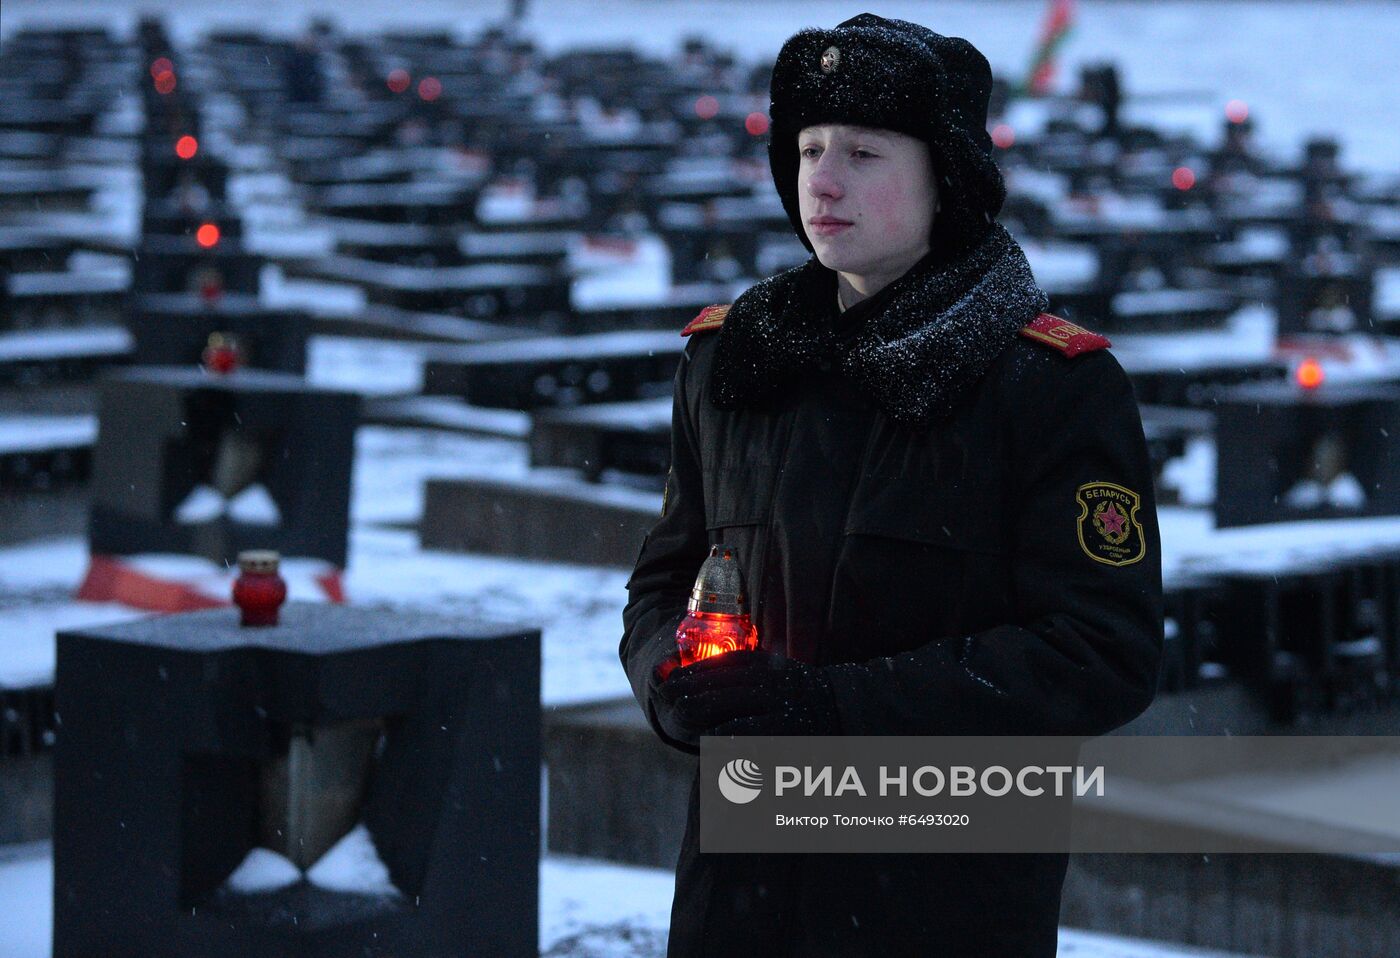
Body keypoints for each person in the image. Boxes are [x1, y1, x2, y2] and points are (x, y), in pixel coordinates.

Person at [620, 13, 1163, 957]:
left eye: (866, 152)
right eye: (808, 148)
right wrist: (671, 683)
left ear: (945, 179)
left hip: (940, 898)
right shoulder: (731, 365)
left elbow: (1099, 648)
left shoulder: (1047, 385)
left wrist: (833, 714)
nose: (823, 181)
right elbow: (664, 584)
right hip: (737, 894)